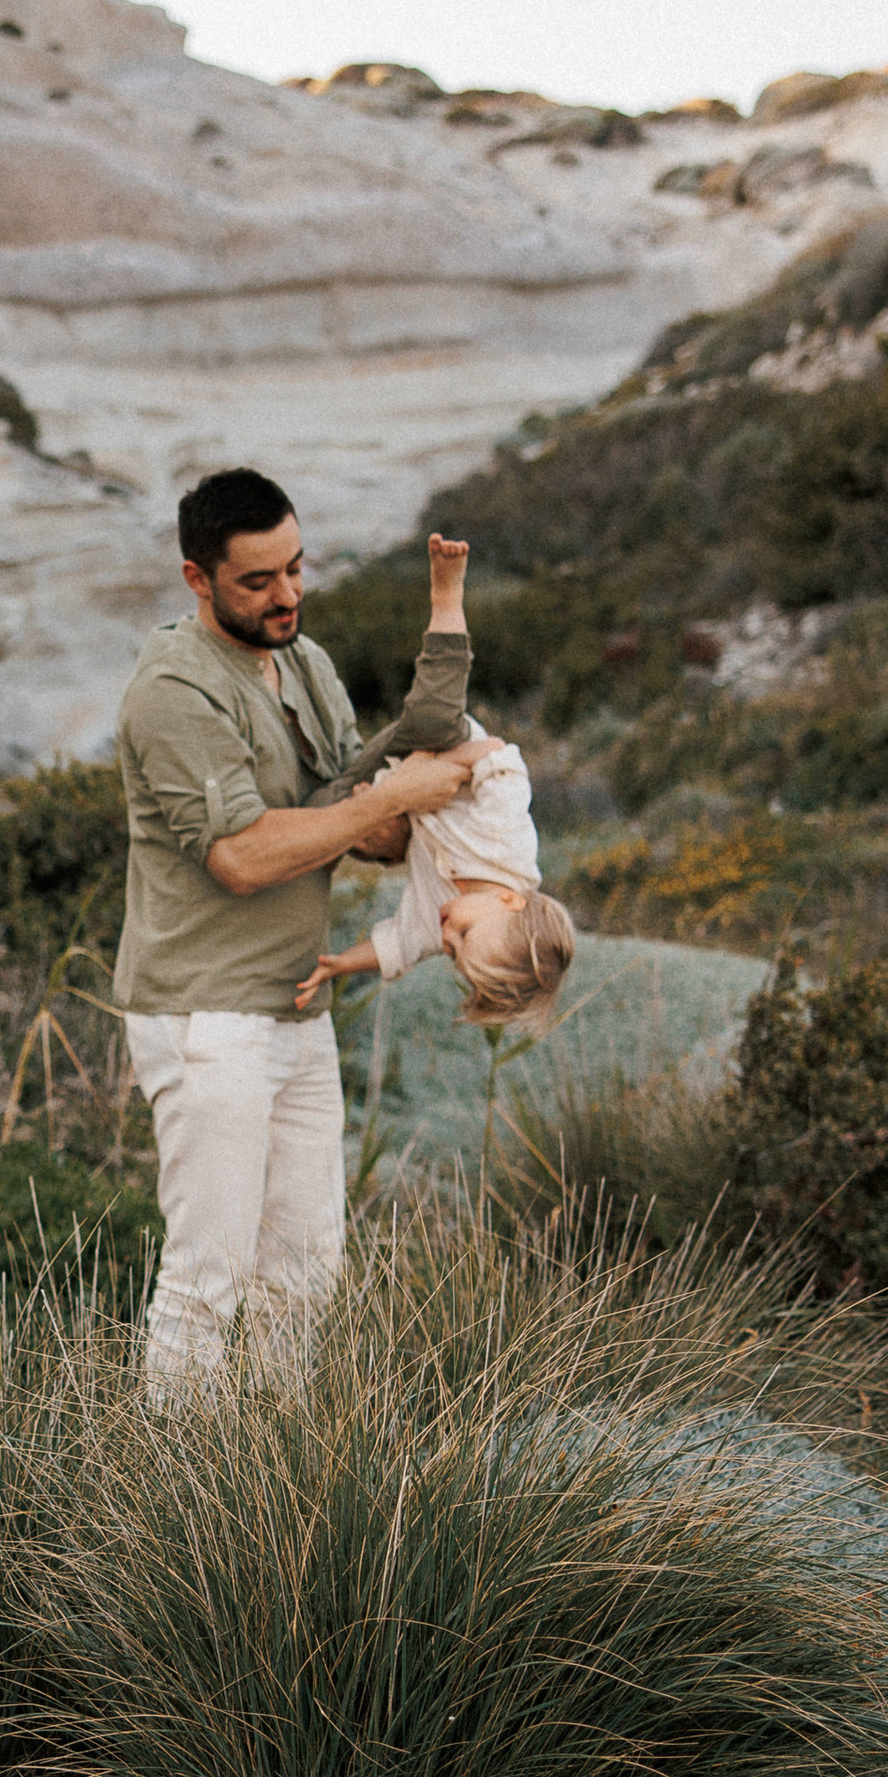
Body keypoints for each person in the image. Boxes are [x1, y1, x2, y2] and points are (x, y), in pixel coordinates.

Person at [112, 466, 478, 1387]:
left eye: (296, 568)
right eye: (258, 580)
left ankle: (271, 1466)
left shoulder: (306, 662)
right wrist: (387, 800)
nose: (287, 595)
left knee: (306, 1276)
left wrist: (435, 801)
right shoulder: (172, 690)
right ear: (198, 579)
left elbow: (360, 824)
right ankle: (172, 1476)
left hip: (296, 1001)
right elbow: (240, 856)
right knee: (208, 1280)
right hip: (205, 1012)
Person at [297, 533, 578, 1022]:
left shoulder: (438, 918)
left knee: (318, 822)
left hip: (389, 788)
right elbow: (501, 759)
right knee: (434, 714)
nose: (447, 936)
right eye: (464, 935)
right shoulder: (507, 846)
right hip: (439, 743)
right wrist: (436, 767)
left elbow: (399, 947)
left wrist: (339, 964)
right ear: (510, 901)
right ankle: (447, 597)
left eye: (452, 952)